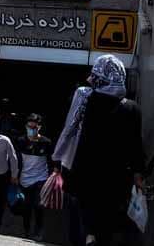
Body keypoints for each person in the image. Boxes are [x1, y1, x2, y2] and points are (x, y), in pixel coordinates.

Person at [53, 54, 145, 246]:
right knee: (106, 228)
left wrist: (57, 160)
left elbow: (68, 130)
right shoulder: (132, 109)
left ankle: (88, 237)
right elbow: (136, 145)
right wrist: (138, 174)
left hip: (82, 176)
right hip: (115, 182)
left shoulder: (85, 98)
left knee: (79, 223)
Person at [15, 113, 57, 241]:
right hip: (24, 179)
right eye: (29, 127)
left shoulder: (46, 142)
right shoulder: (21, 141)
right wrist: (14, 176)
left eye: (34, 128)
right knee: (26, 208)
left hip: (41, 178)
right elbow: (15, 160)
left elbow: (53, 160)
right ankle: (27, 231)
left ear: (39, 128)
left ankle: (38, 231)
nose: (31, 130)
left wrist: (54, 174)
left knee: (38, 205)